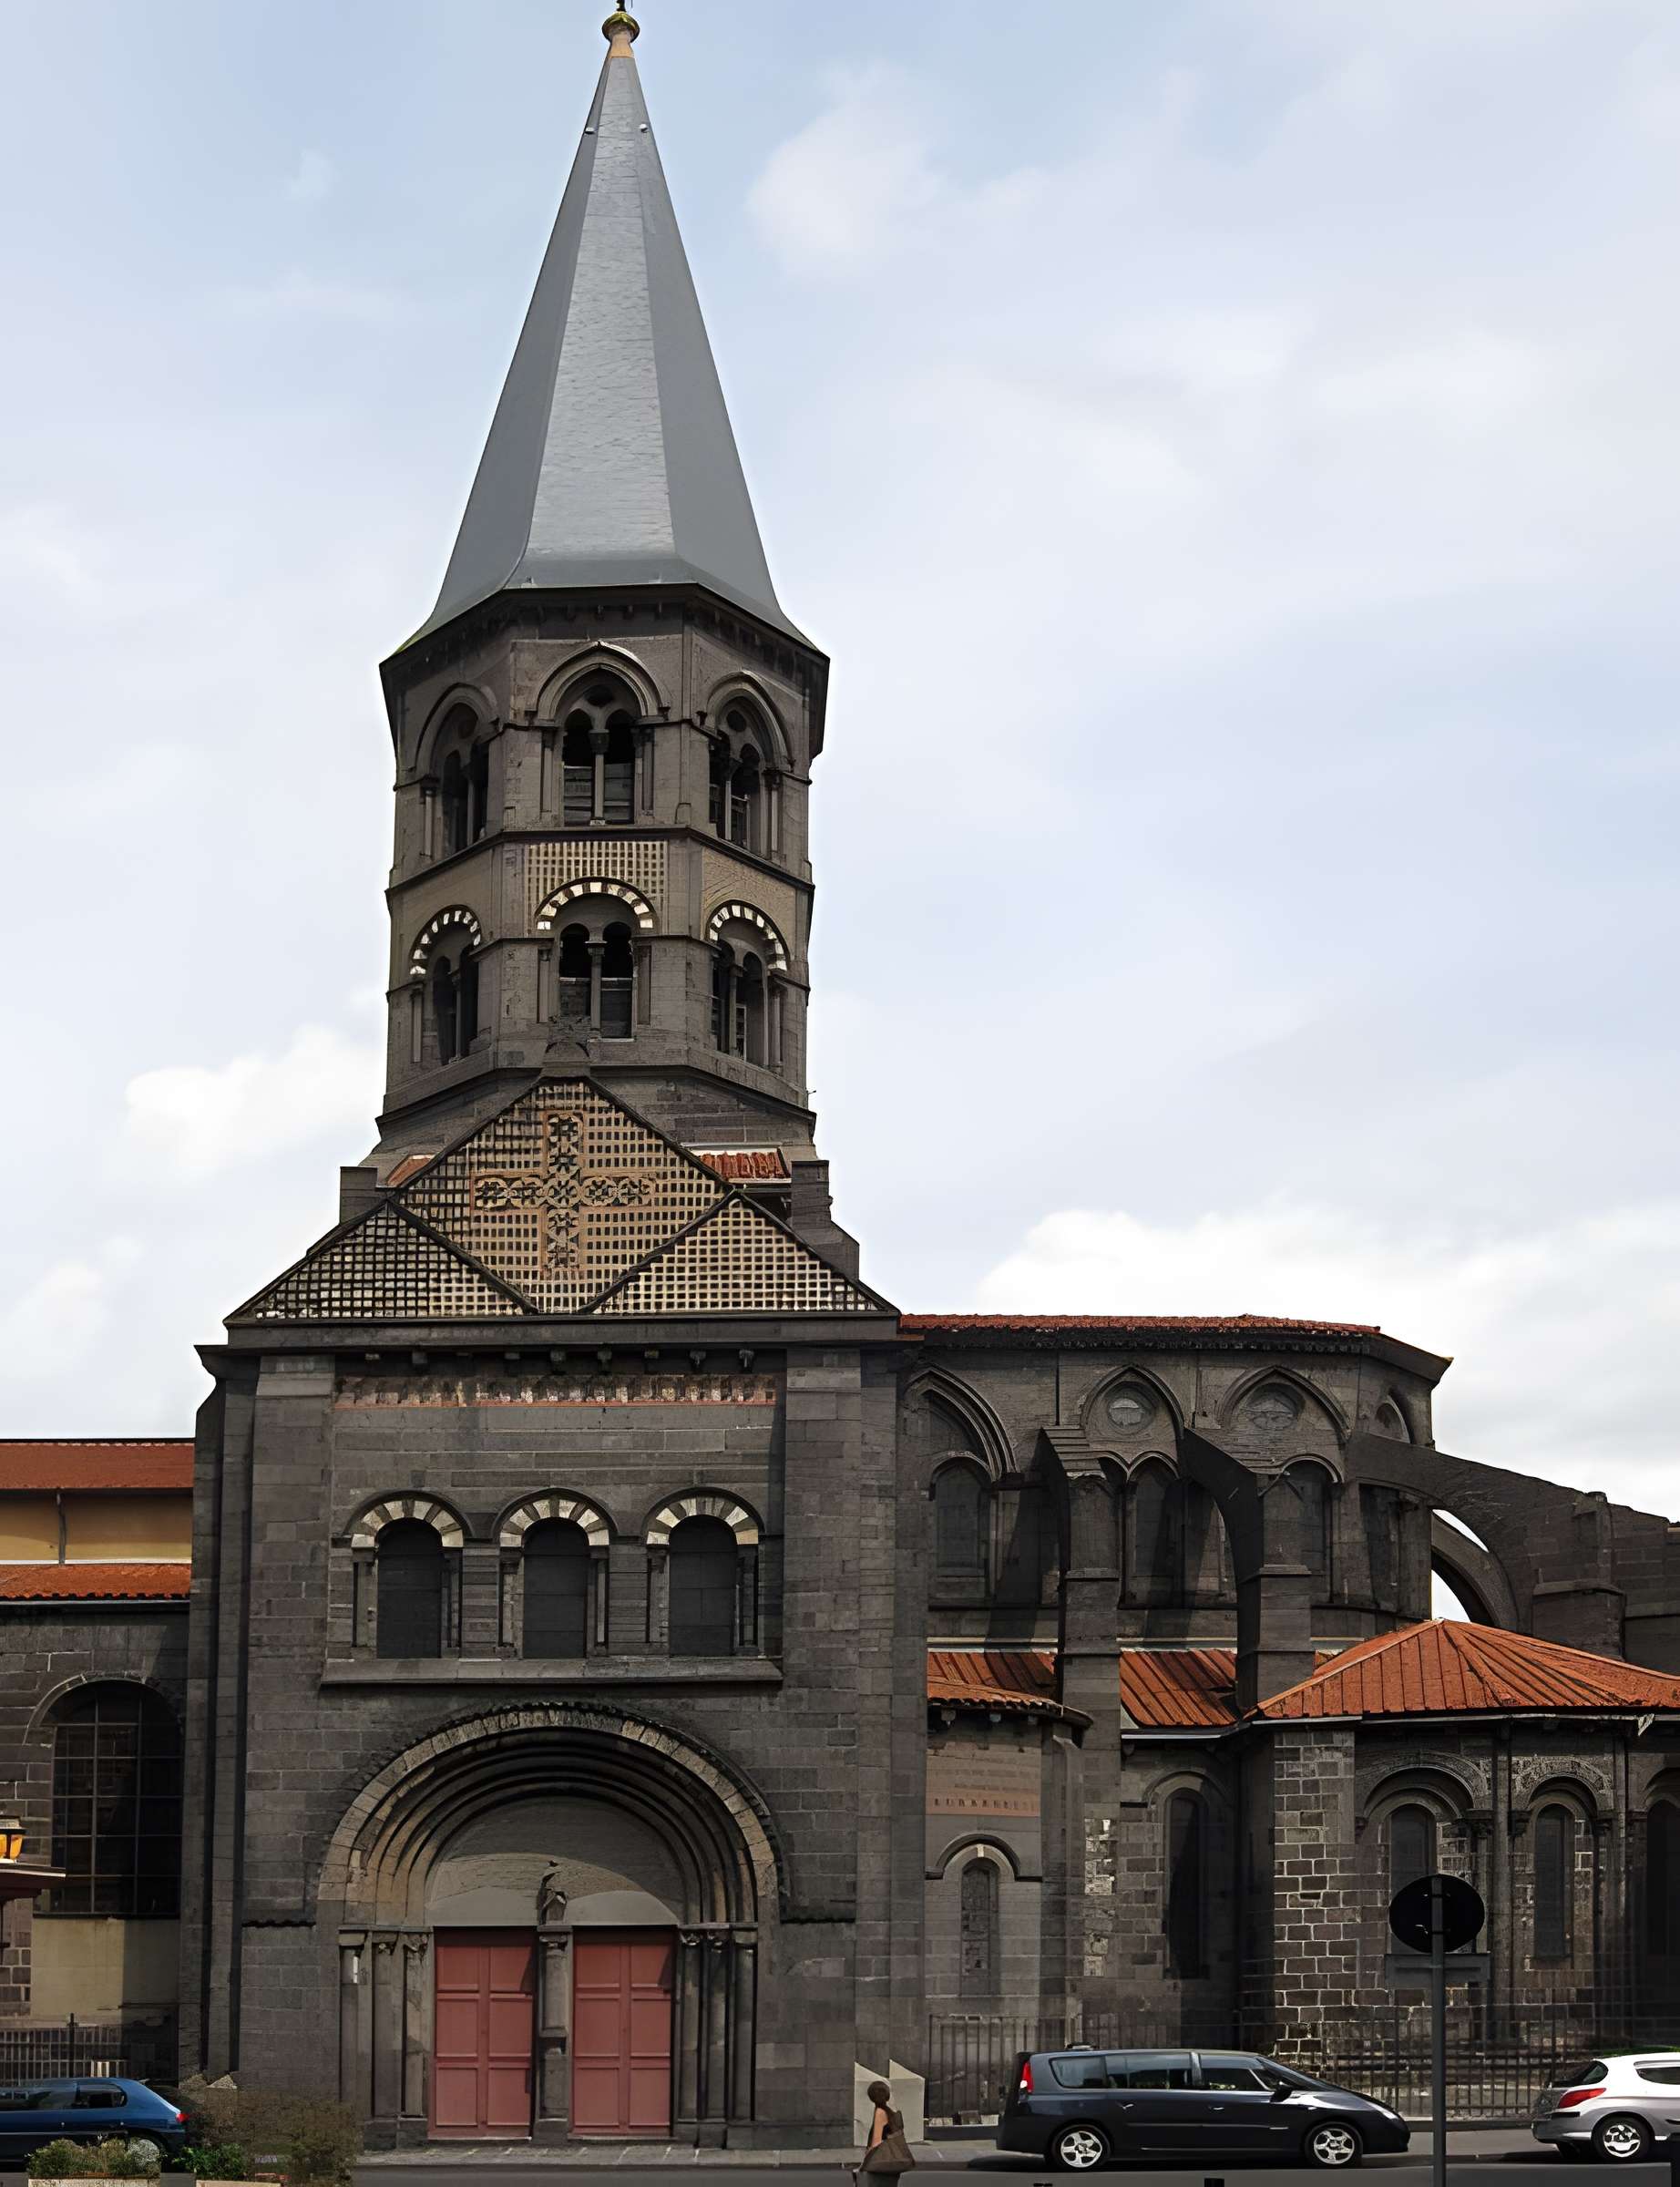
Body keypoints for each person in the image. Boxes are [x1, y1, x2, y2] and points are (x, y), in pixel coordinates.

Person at [858, 2079, 915, 2178]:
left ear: (872, 2097)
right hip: (892, 2163)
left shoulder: (880, 2113)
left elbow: (876, 2143)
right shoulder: (890, 2113)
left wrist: (865, 2162)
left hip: (882, 2164)